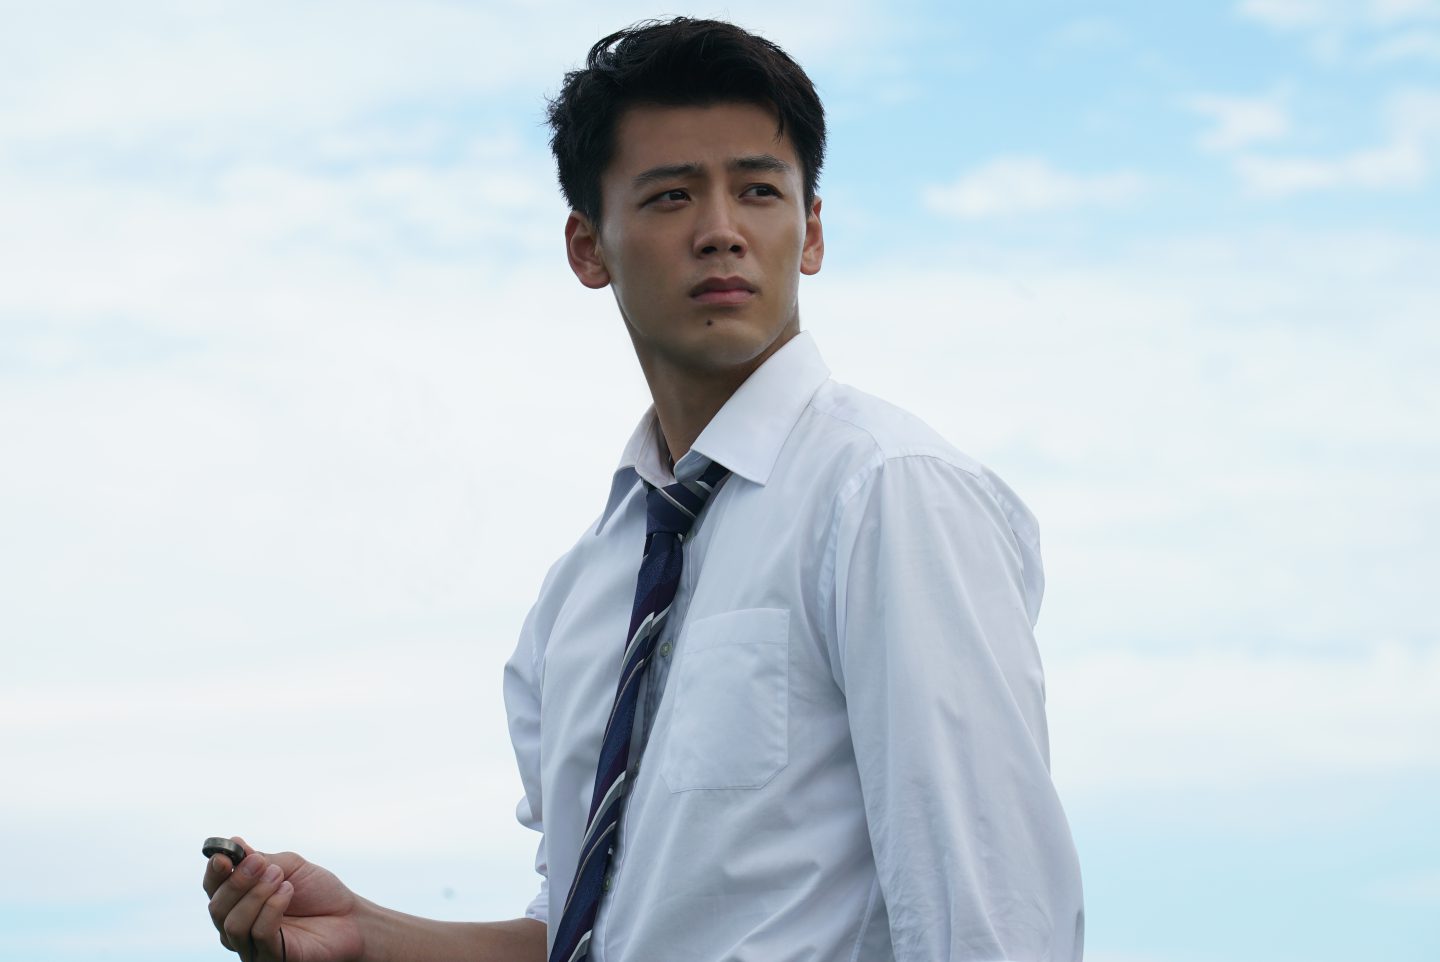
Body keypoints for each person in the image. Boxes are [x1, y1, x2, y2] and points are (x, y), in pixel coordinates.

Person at [202, 17, 1084, 962]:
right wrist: (370, 937)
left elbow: (990, 914)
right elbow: (589, 932)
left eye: (759, 190)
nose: (721, 231)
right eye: (671, 196)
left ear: (813, 232)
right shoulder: (583, 590)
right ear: (589, 248)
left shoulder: (888, 495)